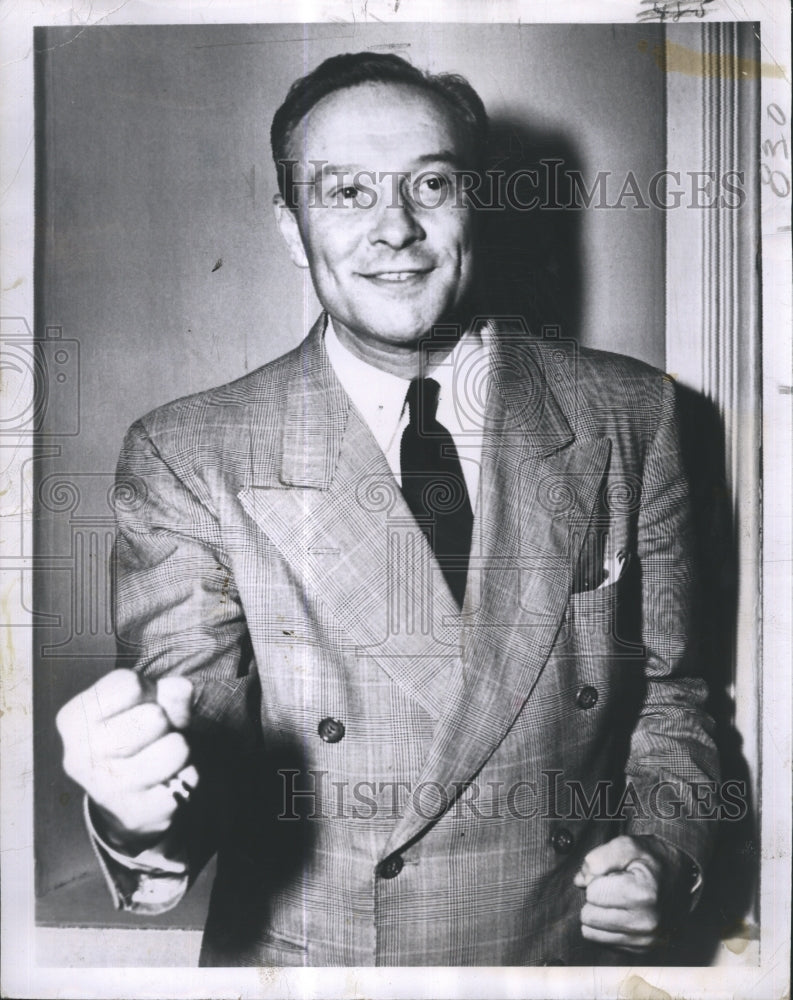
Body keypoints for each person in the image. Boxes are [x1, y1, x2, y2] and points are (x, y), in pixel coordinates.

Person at [56, 51, 720, 966]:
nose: (394, 229)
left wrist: (665, 851)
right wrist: (136, 809)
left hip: (555, 956)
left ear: (474, 202)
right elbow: (197, 741)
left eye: (430, 184)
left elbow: (674, 696)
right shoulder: (190, 454)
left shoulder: (633, 414)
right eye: (345, 193)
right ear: (292, 228)